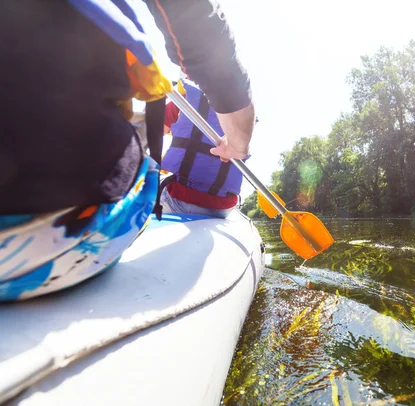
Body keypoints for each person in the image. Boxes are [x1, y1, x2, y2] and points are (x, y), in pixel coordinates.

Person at [0, 0, 255, 301]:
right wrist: (239, 139)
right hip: (79, 233)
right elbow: (196, 19)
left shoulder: (179, 105)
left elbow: (154, 132)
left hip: (176, 195)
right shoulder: (232, 118)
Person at [161, 79, 247, 218]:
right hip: (225, 207)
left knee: (150, 183)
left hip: (181, 200)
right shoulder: (243, 113)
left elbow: (146, 138)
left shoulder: (182, 100)